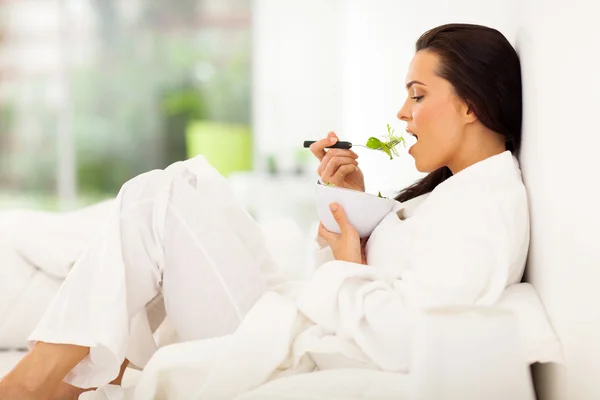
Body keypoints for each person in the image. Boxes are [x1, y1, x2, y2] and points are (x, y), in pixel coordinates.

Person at [0, 23, 529, 400]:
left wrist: (347, 262)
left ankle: (33, 386)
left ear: (470, 106)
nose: (401, 113)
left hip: (292, 340)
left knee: (159, 198)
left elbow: (401, 336)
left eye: (418, 95)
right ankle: (63, 377)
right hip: (297, 313)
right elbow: (380, 276)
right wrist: (358, 206)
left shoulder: (485, 211)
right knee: (184, 187)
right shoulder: (455, 193)